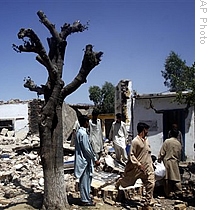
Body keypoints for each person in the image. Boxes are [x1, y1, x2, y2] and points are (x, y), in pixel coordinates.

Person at [115, 122, 155, 210]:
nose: (147, 132)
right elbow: (131, 155)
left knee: (151, 183)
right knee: (128, 183)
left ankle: (146, 203)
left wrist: (151, 163)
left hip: (148, 167)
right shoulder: (135, 141)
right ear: (143, 130)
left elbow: (148, 152)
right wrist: (138, 164)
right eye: (146, 130)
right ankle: (119, 182)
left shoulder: (147, 140)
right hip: (137, 168)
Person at [74, 115, 100, 206]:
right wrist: (95, 159)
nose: (88, 123)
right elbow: (87, 149)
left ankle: (86, 197)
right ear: (85, 122)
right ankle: (85, 200)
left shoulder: (79, 132)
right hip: (84, 161)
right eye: (87, 122)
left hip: (83, 160)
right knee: (85, 181)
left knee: (85, 180)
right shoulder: (83, 134)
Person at [158, 127, 182, 199]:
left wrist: (159, 159)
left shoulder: (167, 141)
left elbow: (162, 152)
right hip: (175, 162)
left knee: (167, 179)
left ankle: (168, 193)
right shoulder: (178, 143)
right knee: (176, 178)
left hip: (167, 162)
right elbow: (179, 154)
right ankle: (178, 191)